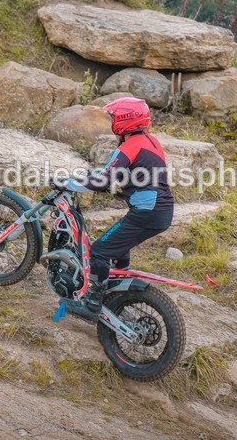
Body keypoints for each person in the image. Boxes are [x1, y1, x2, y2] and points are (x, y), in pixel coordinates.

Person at [60, 98, 174, 321]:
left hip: (147, 213)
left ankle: (92, 305)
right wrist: (88, 179)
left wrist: (68, 183)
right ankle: (118, 293)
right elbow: (116, 177)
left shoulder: (129, 147)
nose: (111, 123)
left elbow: (103, 181)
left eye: (113, 118)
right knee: (118, 247)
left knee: (101, 251)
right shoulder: (151, 142)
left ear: (124, 122)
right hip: (160, 211)